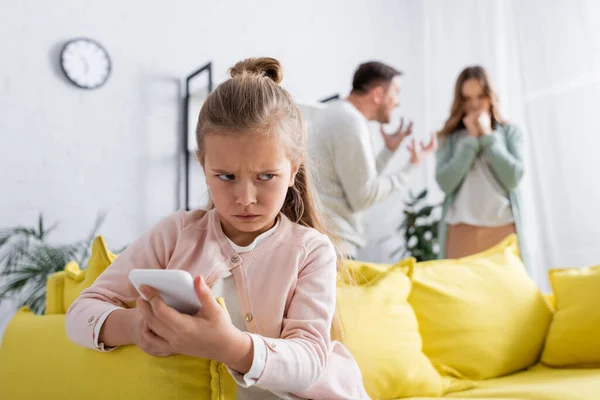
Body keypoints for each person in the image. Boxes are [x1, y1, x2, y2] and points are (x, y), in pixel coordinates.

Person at [66, 57, 368, 400]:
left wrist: (230, 346)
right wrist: (136, 327)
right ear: (203, 165)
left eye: (266, 177)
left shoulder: (311, 250)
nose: (245, 198)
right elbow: (80, 313)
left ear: (294, 168)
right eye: (226, 177)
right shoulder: (175, 234)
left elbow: (310, 360)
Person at [308, 61, 436, 259]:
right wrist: (412, 167)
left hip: (325, 239)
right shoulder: (351, 123)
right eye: (396, 92)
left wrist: (388, 151)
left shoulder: (335, 113)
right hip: (336, 245)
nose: (398, 101)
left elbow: (353, 180)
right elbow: (363, 196)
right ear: (377, 94)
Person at [436, 65, 527, 264]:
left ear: (490, 96)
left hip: (502, 228)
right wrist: (470, 142)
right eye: (467, 99)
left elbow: (513, 178)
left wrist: (487, 137)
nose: (475, 104)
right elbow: (445, 183)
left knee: (508, 293)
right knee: (461, 293)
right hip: (461, 230)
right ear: (459, 102)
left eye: (480, 96)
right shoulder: (449, 138)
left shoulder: (510, 132)